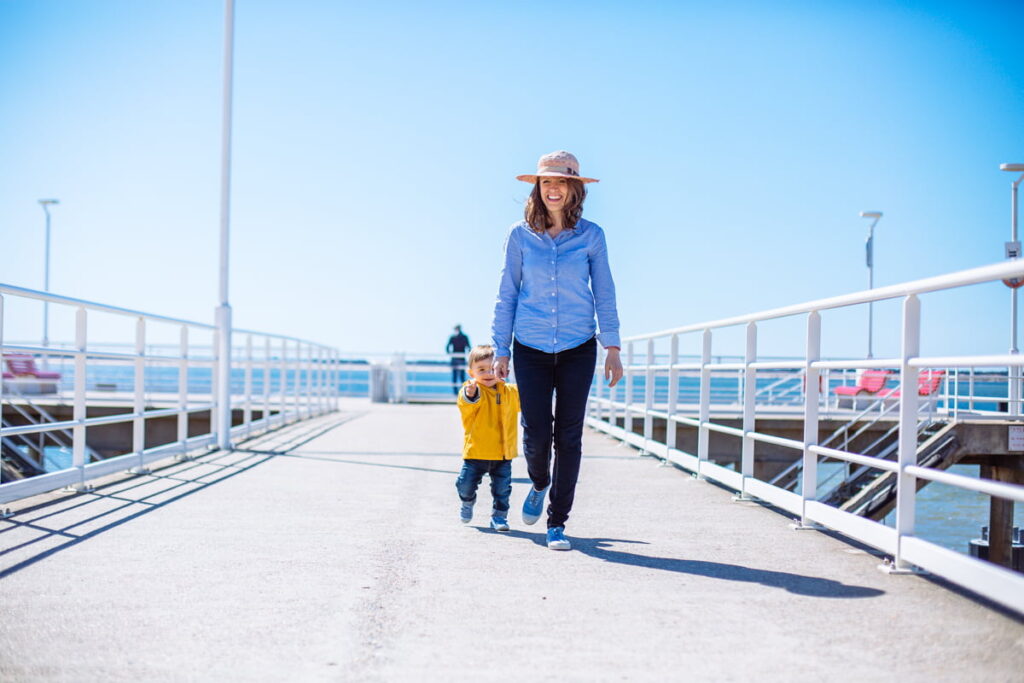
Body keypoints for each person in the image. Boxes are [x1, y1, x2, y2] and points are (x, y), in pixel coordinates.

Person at [491, 150, 623, 551]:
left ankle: (557, 522)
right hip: (528, 345)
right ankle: (538, 482)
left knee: (569, 436)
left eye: (561, 182)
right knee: (535, 434)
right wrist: (501, 349)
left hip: (577, 346)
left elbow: (604, 291)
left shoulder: (592, 236)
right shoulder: (519, 235)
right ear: (538, 187)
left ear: (574, 189)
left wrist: (612, 345)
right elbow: (507, 293)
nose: (553, 189)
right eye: (546, 182)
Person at [455, 344, 521, 531]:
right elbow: (467, 403)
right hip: (477, 452)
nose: (487, 373)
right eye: (481, 369)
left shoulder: (510, 391)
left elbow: (530, 399)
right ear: (471, 372)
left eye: (492, 368)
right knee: (466, 485)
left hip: (503, 453)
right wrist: (471, 394)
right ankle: (467, 501)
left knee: (502, 490)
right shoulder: (471, 390)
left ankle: (499, 517)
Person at [446, 324, 471, 395]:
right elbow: (469, 347)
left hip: (456, 359)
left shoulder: (453, 337)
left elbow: (447, 347)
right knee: (460, 376)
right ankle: (461, 392)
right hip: (460, 358)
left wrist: (450, 354)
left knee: (457, 376)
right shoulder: (463, 337)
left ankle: (457, 392)